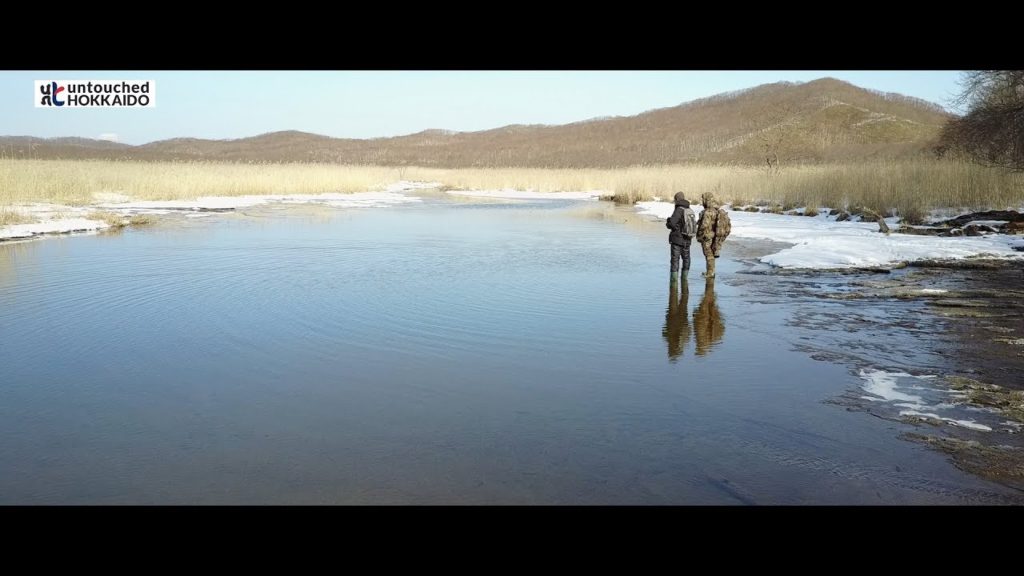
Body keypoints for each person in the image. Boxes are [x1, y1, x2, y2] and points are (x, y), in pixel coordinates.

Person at [695, 191, 732, 278]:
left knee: (708, 254)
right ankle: (711, 271)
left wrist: (699, 233)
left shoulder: (708, 211)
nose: (702, 201)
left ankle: (710, 273)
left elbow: (704, 225)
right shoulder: (717, 210)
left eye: (703, 199)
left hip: (707, 235)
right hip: (716, 235)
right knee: (712, 253)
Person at [665, 192, 696, 282]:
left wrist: (668, 221)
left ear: (677, 199)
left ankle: (673, 283)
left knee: (675, 259)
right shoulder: (689, 209)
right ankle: (684, 279)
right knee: (686, 258)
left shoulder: (679, 209)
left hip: (677, 240)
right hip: (687, 239)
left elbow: (672, 224)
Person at [693, 277, 725, 356]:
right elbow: (698, 325)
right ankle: (710, 279)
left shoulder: (701, 339)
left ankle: (710, 278)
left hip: (706, 316)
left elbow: (698, 325)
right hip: (708, 316)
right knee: (708, 301)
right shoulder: (708, 340)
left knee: (707, 301)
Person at [662, 277, 691, 361]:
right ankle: (683, 279)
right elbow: (689, 329)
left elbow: (664, 330)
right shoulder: (683, 341)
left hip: (674, 317)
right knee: (683, 299)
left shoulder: (669, 339)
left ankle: (682, 280)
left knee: (680, 298)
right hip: (678, 317)